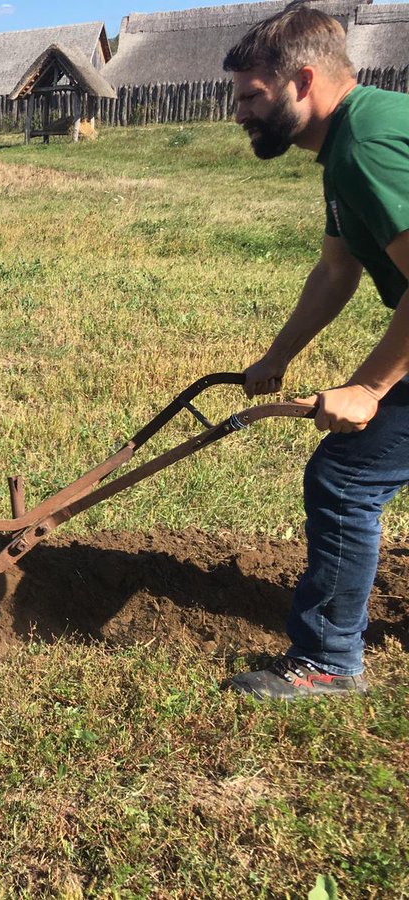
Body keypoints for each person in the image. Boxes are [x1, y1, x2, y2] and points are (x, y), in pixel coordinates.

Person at [222, 2, 409, 699]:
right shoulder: (349, 144)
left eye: (251, 96)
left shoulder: (366, 147)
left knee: (347, 478)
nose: (239, 112)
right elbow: (338, 269)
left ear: (302, 82)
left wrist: (368, 386)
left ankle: (328, 659)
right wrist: (278, 356)